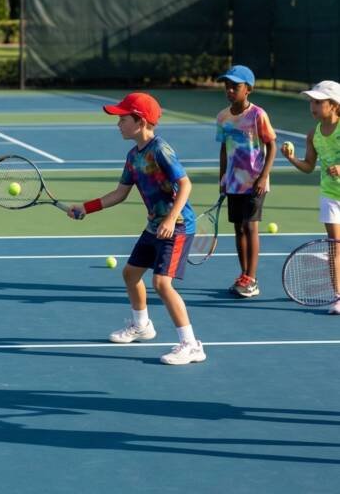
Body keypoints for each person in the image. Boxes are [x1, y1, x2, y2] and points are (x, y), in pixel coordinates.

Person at [68, 92, 205, 365]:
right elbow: (120, 193)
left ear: (140, 122)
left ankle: (191, 345)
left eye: (122, 118)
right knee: (130, 274)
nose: (118, 123)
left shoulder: (160, 150)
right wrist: (87, 207)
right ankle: (142, 326)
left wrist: (169, 219)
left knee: (161, 283)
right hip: (155, 225)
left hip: (177, 226)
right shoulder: (133, 156)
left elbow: (186, 184)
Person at [215, 65, 276, 298]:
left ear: (248, 89)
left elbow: (271, 146)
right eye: (227, 86)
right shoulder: (223, 117)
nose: (230, 90)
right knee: (238, 229)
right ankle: (244, 275)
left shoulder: (258, 115)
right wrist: (222, 177)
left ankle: (251, 279)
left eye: (235, 86)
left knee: (251, 227)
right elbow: (223, 149)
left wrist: (263, 176)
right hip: (232, 182)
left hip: (255, 182)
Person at [281, 80, 340, 315]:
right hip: (330, 196)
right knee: (335, 246)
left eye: (318, 102)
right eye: (311, 102)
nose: (313, 106)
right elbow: (308, 166)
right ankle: (338, 295)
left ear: (334, 104)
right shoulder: (313, 135)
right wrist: (291, 158)